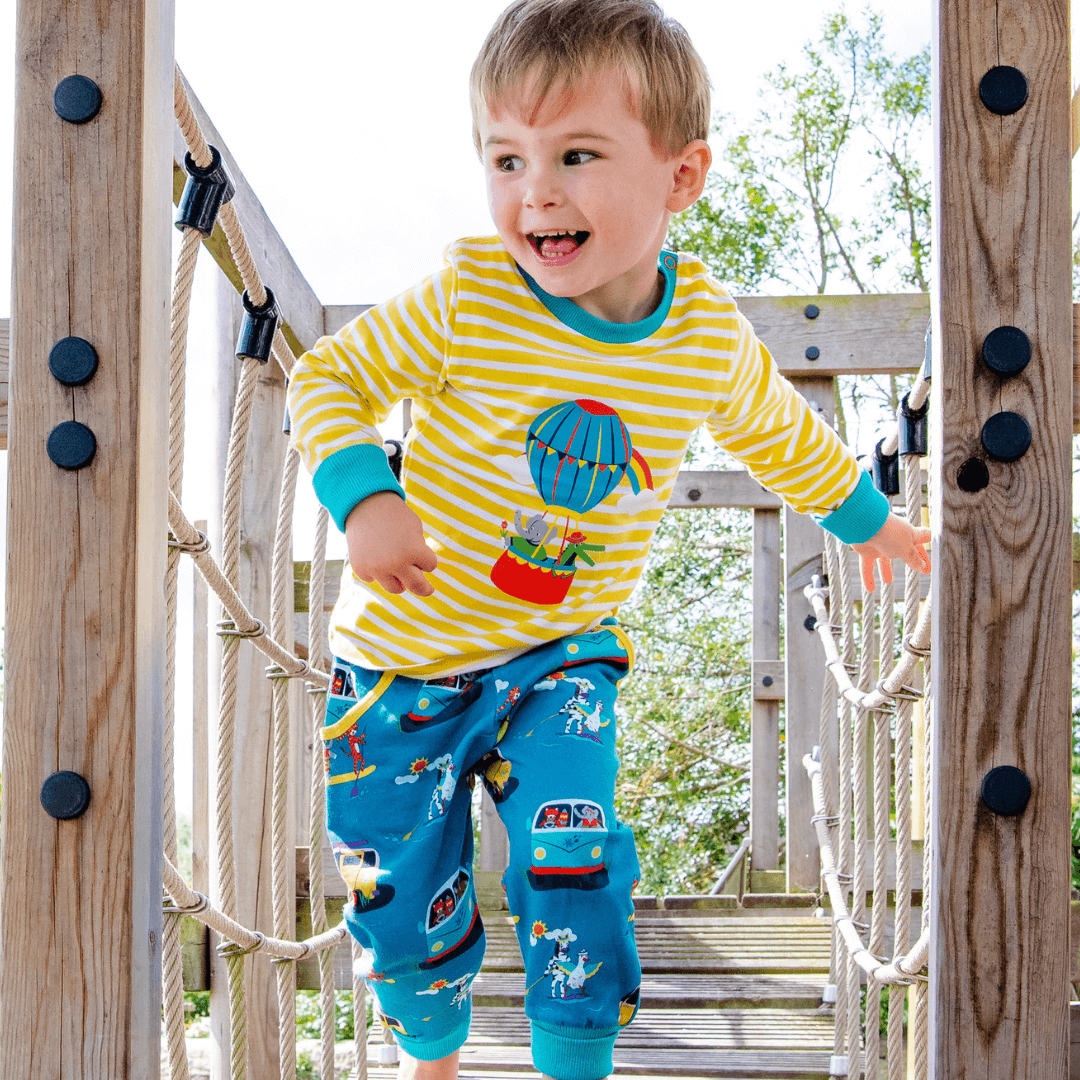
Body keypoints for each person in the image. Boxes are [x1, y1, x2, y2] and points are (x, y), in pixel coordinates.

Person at [287, 2, 931, 1078]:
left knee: (574, 855)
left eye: (576, 154)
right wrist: (367, 498)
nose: (533, 191)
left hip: (560, 659)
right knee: (395, 897)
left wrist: (875, 524)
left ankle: (573, 1061)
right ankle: (431, 1049)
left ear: (681, 179)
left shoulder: (704, 336)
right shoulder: (470, 297)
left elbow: (784, 438)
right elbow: (330, 376)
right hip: (400, 662)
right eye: (505, 159)